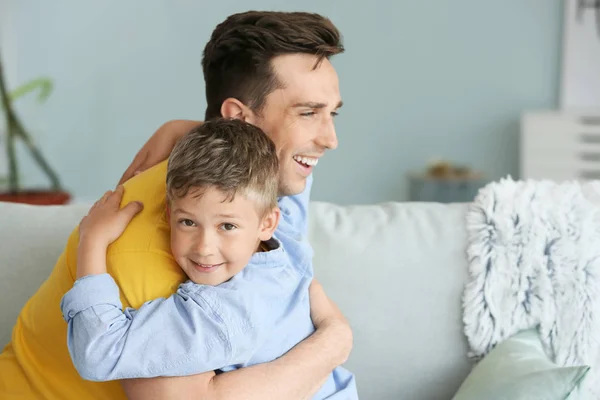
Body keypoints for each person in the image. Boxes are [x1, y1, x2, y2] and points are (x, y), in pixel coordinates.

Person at [0, 10, 350, 400]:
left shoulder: (260, 192)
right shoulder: (162, 246)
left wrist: (187, 129)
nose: (330, 138)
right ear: (238, 118)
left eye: (330, 113)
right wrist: (334, 340)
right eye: (307, 113)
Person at [60, 119, 357, 400]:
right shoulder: (287, 237)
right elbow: (295, 179)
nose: (204, 248)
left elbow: (99, 353)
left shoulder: (219, 315)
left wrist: (92, 242)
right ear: (168, 214)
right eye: (188, 222)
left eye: (226, 226)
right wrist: (180, 130)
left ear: (267, 223)